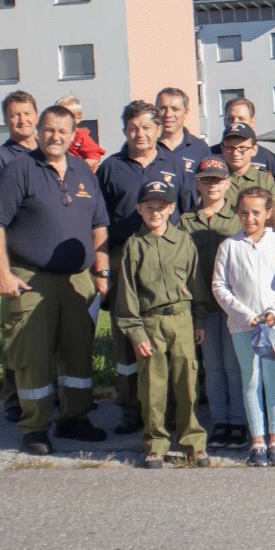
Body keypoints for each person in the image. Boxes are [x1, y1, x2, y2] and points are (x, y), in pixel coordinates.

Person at [0, 105, 109, 455]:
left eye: (63, 131)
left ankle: (75, 418)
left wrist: (101, 271)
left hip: (78, 280)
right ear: (39, 132)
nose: (56, 137)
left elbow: (99, 224)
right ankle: (35, 427)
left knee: (77, 354)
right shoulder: (19, 169)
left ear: (73, 135)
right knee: (32, 355)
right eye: (49, 130)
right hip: (30, 279)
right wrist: (2, 273)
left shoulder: (83, 169)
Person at [96, 100, 194, 434]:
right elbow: (98, 220)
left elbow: (187, 209)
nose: (140, 133)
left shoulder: (173, 163)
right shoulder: (111, 167)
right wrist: (103, 265)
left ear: (157, 129)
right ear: (125, 131)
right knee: (128, 337)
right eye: (134, 128)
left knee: (167, 337)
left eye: (147, 127)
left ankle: (167, 410)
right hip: (125, 256)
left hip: (167, 258)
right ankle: (129, 408)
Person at [115, 179, 210, 468]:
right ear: (138, 209)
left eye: (161, 207)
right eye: (149, 207)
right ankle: (155, 444)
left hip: (181, 319)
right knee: (153, 386)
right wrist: (135, 332)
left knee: (187, 383)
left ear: (171, 209)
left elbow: (197, 283)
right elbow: (127, 293)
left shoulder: (183, 241)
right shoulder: (134, 246)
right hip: (150, 322)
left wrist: (200, 319)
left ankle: (192, 442)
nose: (155, 213)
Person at [212, 187, 275, 467]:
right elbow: (220, 286)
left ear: (268, 213)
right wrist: (245, 313)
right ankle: (257, 440)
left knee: (273, 380)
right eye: (244, 212)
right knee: (250, 380)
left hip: (274, 324)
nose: (250, 218)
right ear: (237, 212)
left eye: (256, 213)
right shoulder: (230, 246)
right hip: (243, 325)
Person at [179, 157, 250, 451]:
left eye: (217, 180)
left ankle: (239, 420)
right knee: (213, 365)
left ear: (228, 183)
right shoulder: (185, 221)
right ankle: (220, 420)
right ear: (197, 183)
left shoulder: (236, 219)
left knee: (235, 365)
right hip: (203, 307)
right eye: (206, 180)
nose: (212, 186)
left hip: (232, 305)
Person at [0, 91, 40, 423]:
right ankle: (14, 398)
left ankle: (48, 394)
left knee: (49, 334)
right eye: (14, 115)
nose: (22, 120)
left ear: (37, 114)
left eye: (27, 113)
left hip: (49, 260)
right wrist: (2, 268)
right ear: (6, 120)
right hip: (18, 260)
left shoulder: (49, 153)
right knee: (17, 334)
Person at [211, 97, 275, 183]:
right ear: (224, 121)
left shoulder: (269, 159)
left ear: (253, 122)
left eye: (241, 119)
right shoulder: (210, 155)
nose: (235, 123)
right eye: (230, 119)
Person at [219, 122, 275, 210]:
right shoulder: (216, 179)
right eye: (230, 148)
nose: (235, 153)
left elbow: (273, 216)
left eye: (242, 148)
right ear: (222, 149)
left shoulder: (264, 179)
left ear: (254, 149)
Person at [155, 87, 212, 175]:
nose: (168, 114)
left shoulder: (200, 148)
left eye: (175, 109)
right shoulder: (146, 146)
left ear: (186, 113)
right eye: (163, 108)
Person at [56, 96, 104, 168]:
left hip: (78, 173)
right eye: (58, 115)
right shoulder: (55, 135)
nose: (62, 119)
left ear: (78, 118)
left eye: (67, 116)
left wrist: (78, 168)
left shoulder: (80, 137)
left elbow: (95, 157)